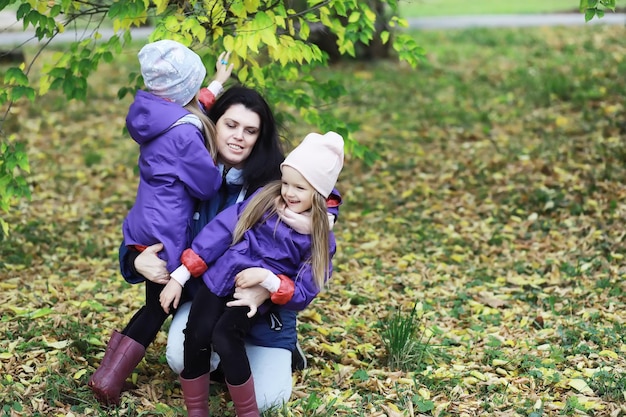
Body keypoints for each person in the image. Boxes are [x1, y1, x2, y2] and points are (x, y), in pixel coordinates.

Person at [87, 39, 233, 405]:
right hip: (167, 228)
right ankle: (109, 376)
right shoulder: (185, 135)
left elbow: (189, 106)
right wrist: (221, 166)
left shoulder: (152, 111)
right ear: (184, 90)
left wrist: (217, 83)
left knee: (155, 303)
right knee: (158, 306)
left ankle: (109, 371)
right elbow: (206, 184)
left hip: (146, 221)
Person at [164, 132, 344, 417]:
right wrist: (184, 273)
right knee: (197, 334)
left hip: (255, 297)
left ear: (320, 194)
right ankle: (196, 411)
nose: (289, 193)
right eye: (286, 183)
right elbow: (222, 231)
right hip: (219, 278)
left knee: (225, 335)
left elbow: (305, 289)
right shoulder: (265, 201)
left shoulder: (319, 238)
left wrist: (268, 280)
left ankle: (248, 412)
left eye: (300, 187)